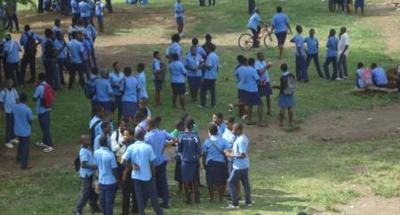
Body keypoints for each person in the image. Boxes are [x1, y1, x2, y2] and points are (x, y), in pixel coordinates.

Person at [122, 127, 164, 215]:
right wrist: (153, 175)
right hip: (147, 176)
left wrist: (132, 166)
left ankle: (142, 213)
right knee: (153, 197)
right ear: (143, 137)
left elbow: (123, 161)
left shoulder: (131, 147)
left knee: (139, 198)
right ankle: (159, 212)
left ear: (135, 137)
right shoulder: (148, 147)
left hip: (136, 176)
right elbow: (152, 163)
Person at [145, 117, 175, 209]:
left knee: (150, 182)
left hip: (152, 163)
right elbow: (174, 139)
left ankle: (150, 201)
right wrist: (165, 145)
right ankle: (165, 202)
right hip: (162, 160)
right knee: (163, 182)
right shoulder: (163, 133)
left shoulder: (147, 137)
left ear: (149, 126)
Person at [226, 123, 252, 209]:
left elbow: (242, 154)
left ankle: (235, 204)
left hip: (239, 167)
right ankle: (248, 202)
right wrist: (231, 151)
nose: (232, 131)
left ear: (239, 130)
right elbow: (238, 151)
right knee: (246, 183)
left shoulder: (241, 140)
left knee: (231, 182)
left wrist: (231, 155)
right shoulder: (242, 138)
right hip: (244, 165)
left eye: (234, 129)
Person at [202, 124, 231, 203]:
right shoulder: (222, 140)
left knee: (210, 181)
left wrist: (204, 163)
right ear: (217, 131)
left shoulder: (207, 141)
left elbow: (204, 153)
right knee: (222, 181)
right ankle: (221, 198)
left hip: (210, 163)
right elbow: (228, 149)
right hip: (221, 163)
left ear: (209, 132)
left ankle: (212, 198)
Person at [74, 135, 101, 215]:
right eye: (87, 140)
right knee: (86, 192)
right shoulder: (83, 151)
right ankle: (78, 209)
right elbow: (83, 164)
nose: (89, 141)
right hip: (86, 175)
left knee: (94, 192)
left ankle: (94, 207)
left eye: (89, 139)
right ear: (82, 142)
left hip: (91, 173)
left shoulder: (88, 148)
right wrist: (96, 166)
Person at [235, 57, 265, 126]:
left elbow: (236, 74)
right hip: (252, 89)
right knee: (260, 104)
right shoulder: (252, 70)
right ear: (246, 62)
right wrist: (262, 83)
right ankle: (260, 122)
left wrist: (240, 80)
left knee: (249, 104)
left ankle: (249, 120)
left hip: (242, 88)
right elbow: (257, 80)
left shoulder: (239, 69)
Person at [178, 118, 201, 204]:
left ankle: (188, 199)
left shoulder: (181, 137)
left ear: (185, 126)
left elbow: (179, 150)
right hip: (194, 161)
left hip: (185, 161)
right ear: (192, 126)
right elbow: (199, 150)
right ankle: (197, 199)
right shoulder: (196, 137)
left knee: (186, 180)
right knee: (195, 180)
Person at [94, 136, 118, 215]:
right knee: (109, 203)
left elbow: (96, 165)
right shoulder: (110, 155)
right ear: (107, 143)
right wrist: (117, 178)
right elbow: (114, 169)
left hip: (101, 180)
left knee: (103, 201)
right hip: (110, 181)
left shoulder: (96, 152)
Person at [118, 127, 138, 215]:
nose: (124, 137)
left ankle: (125, 211)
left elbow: (125, 161)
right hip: (134, 171)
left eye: (126, 135)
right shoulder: (130, 143)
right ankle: (135, 209)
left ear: (131, 136)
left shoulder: (130, 146)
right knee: (134, 191)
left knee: (126, 192)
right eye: (123, 135)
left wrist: (125, 170)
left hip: (129, 171)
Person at [34, 73, 55, 153]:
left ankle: (50, 145)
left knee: (45, 128)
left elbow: (34, 98)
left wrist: (35, 87)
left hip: (41, 110)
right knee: (45, 127)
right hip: (48, 109)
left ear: (39, 79)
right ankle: (44, 142)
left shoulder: (39, 88)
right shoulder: (48, 86)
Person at [12, 93, 33, 169]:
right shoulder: (28, 109)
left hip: (17, 130)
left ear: (19, 99)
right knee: (25, 148)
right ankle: (24, 165)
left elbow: (12, 116)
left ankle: (18, 158)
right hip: (25, 131)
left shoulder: (14, 107)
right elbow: (30, 120)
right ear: (26, 100)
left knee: (20, 144)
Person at [0, 79, 18, 149]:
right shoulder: (3, 92)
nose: (11, 84)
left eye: (11, 83)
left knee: (13, 124)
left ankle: (12, 137)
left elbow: (16, 99)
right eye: (9, 83)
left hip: (14, 111)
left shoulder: (14, 90)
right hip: (7, 111)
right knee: (9, 126)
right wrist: (3, 110)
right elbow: (1, 102)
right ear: (6, 84)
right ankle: (7, 141)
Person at [200, 44, 219, 108]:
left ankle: (203, 104)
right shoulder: (216, 55)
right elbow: (217, 67)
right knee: (212, 91)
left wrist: (203, 64)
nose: (206, 50)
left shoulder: (210, 56)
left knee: (203, 91)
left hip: (208, 76)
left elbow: (209, 67)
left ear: (210, 49)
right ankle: (213, 104)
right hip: (213, 76)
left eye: (207, 48)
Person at [171, 119, 185, 193]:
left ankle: (187, 188)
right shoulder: (177, 132)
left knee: (183, 173)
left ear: (182, 126)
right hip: (179, 157)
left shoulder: (186, 133)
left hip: (184, 156)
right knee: (179, 174)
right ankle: (180, 189)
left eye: (178, 127)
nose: (177, 129)